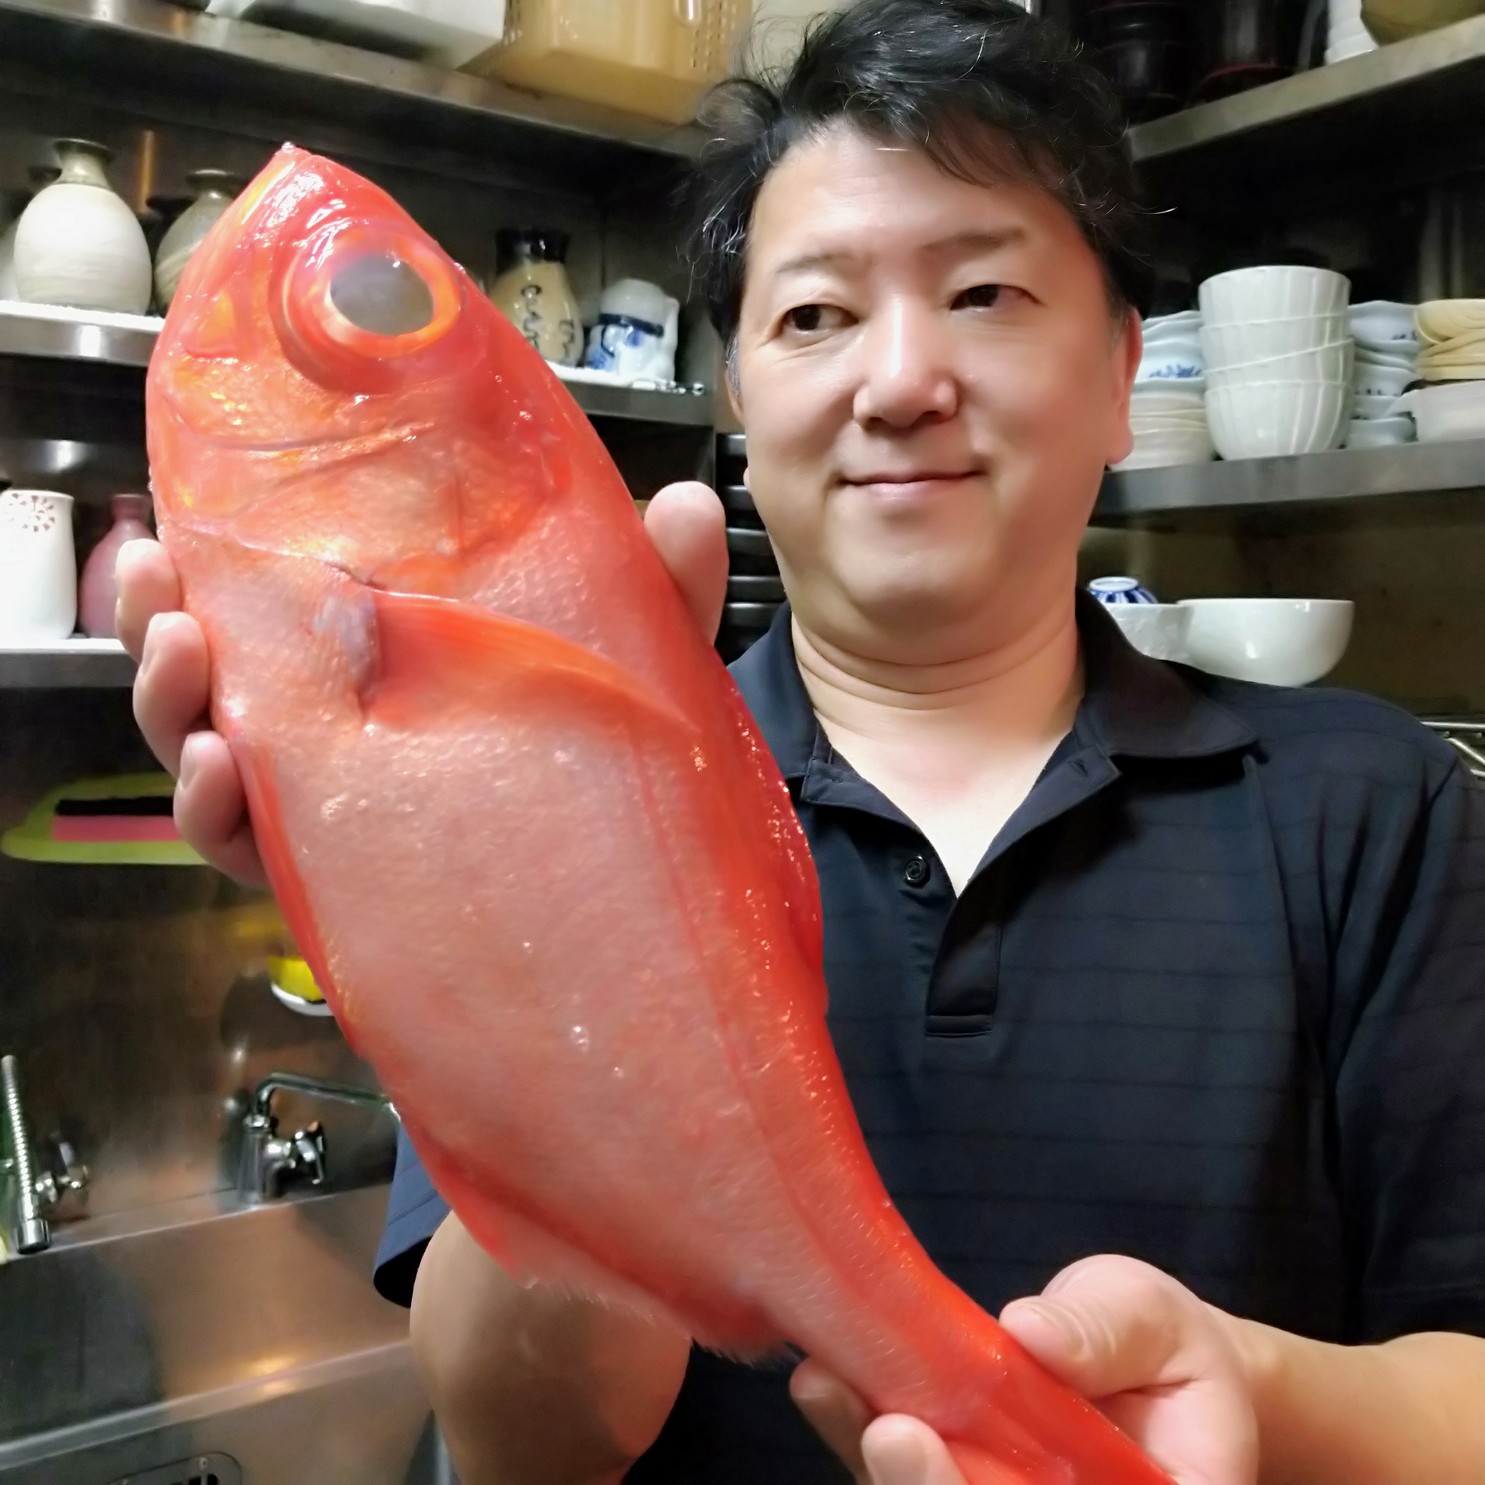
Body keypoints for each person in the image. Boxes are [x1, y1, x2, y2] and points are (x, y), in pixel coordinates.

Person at [119, 2, 1485, 1482]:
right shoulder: (576, 789)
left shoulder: (1380, 814)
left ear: (1120, 379)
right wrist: (466, 912)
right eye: (815, 316)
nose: (897, 383)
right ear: (739, 401)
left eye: (983, 292)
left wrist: (1252, 1394)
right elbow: (532, 1449)